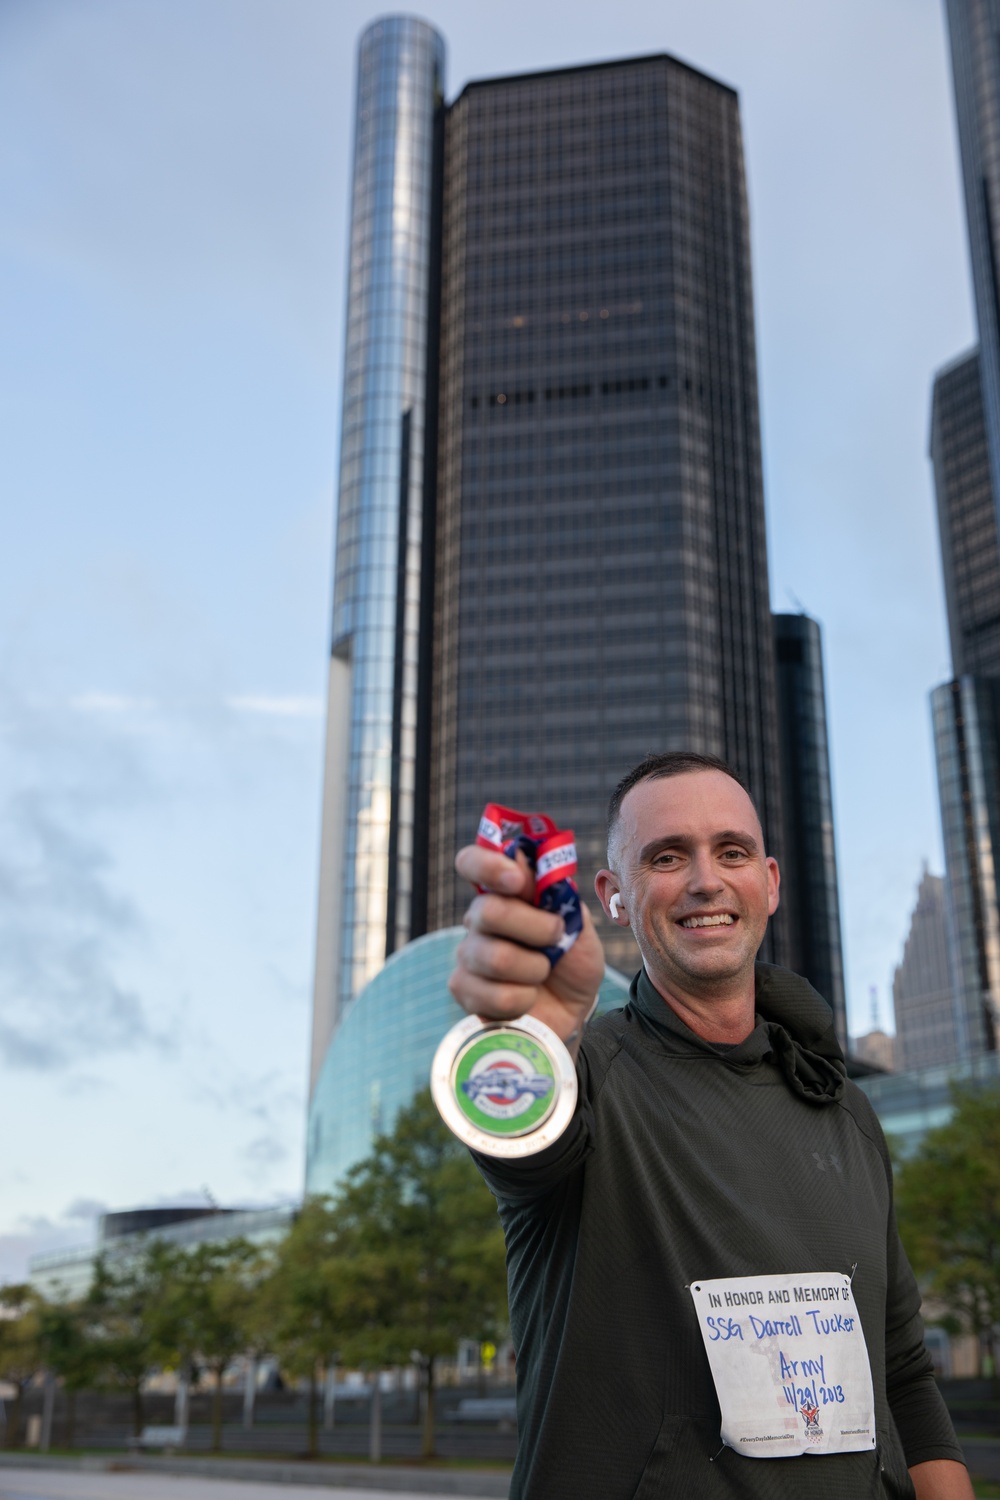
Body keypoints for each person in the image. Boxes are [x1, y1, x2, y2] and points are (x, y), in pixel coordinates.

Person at [449, 751, 972, 1500]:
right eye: (666, 856)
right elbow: (522, 1144)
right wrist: (526, 1038)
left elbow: (904, 1372)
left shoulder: (846, 1110)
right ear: (615, 896)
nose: (705, 879)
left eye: (732, 851)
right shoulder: (581, 1073)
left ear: (770, 882)